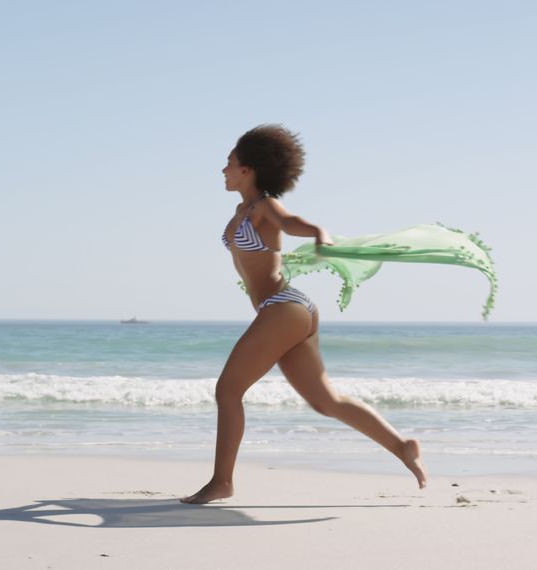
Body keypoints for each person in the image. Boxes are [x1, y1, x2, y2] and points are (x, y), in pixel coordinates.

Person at [181, 125, 427, 504]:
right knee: (326, 401)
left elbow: (292, 223)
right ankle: (402, 447)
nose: (223, 170)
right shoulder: (241, 210)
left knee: (227, 390)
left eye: (229, 163)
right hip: (291, 309)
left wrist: (318, 233)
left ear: (248, 169)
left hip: (283, 308)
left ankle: (222, 481)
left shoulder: (265, 206)